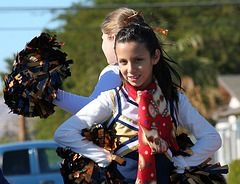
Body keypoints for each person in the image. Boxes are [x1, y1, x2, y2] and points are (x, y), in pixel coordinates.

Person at [54, 22, 222, 183]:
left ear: (155, 56)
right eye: (123, 62)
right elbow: (65, 133)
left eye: (138, 60)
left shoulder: (174, 100)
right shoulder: (111, 100)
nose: (131, 69)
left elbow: (212, 138)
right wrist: (101, 156)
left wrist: (182, 163)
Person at [52, 7, 144, 114]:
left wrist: (50, 93)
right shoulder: (147, 69)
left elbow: (92, 110)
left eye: (103, 39)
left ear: (114, 39)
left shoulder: (114, 72)